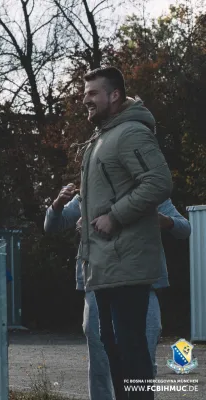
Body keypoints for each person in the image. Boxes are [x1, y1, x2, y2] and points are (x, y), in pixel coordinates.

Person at [79, 66, 173, 399]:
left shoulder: (130, 132)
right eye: (85, 92)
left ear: (114, 95)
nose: (85, 99)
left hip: (127, 265)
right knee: (114, 349)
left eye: (93, 93)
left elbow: (158, 182)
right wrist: (90, 219)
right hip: (105, 265)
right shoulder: (104, 136)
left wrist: (115, 217)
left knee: (130, 351)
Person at [45, 185, 191, 399]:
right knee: (100, 363)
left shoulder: (150, 194)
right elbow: (52, 225)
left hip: (143, 284)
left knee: (144, 358)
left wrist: (163, 220)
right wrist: (58, 202)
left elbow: (184, 228)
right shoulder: (89, 192)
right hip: (98, 283)